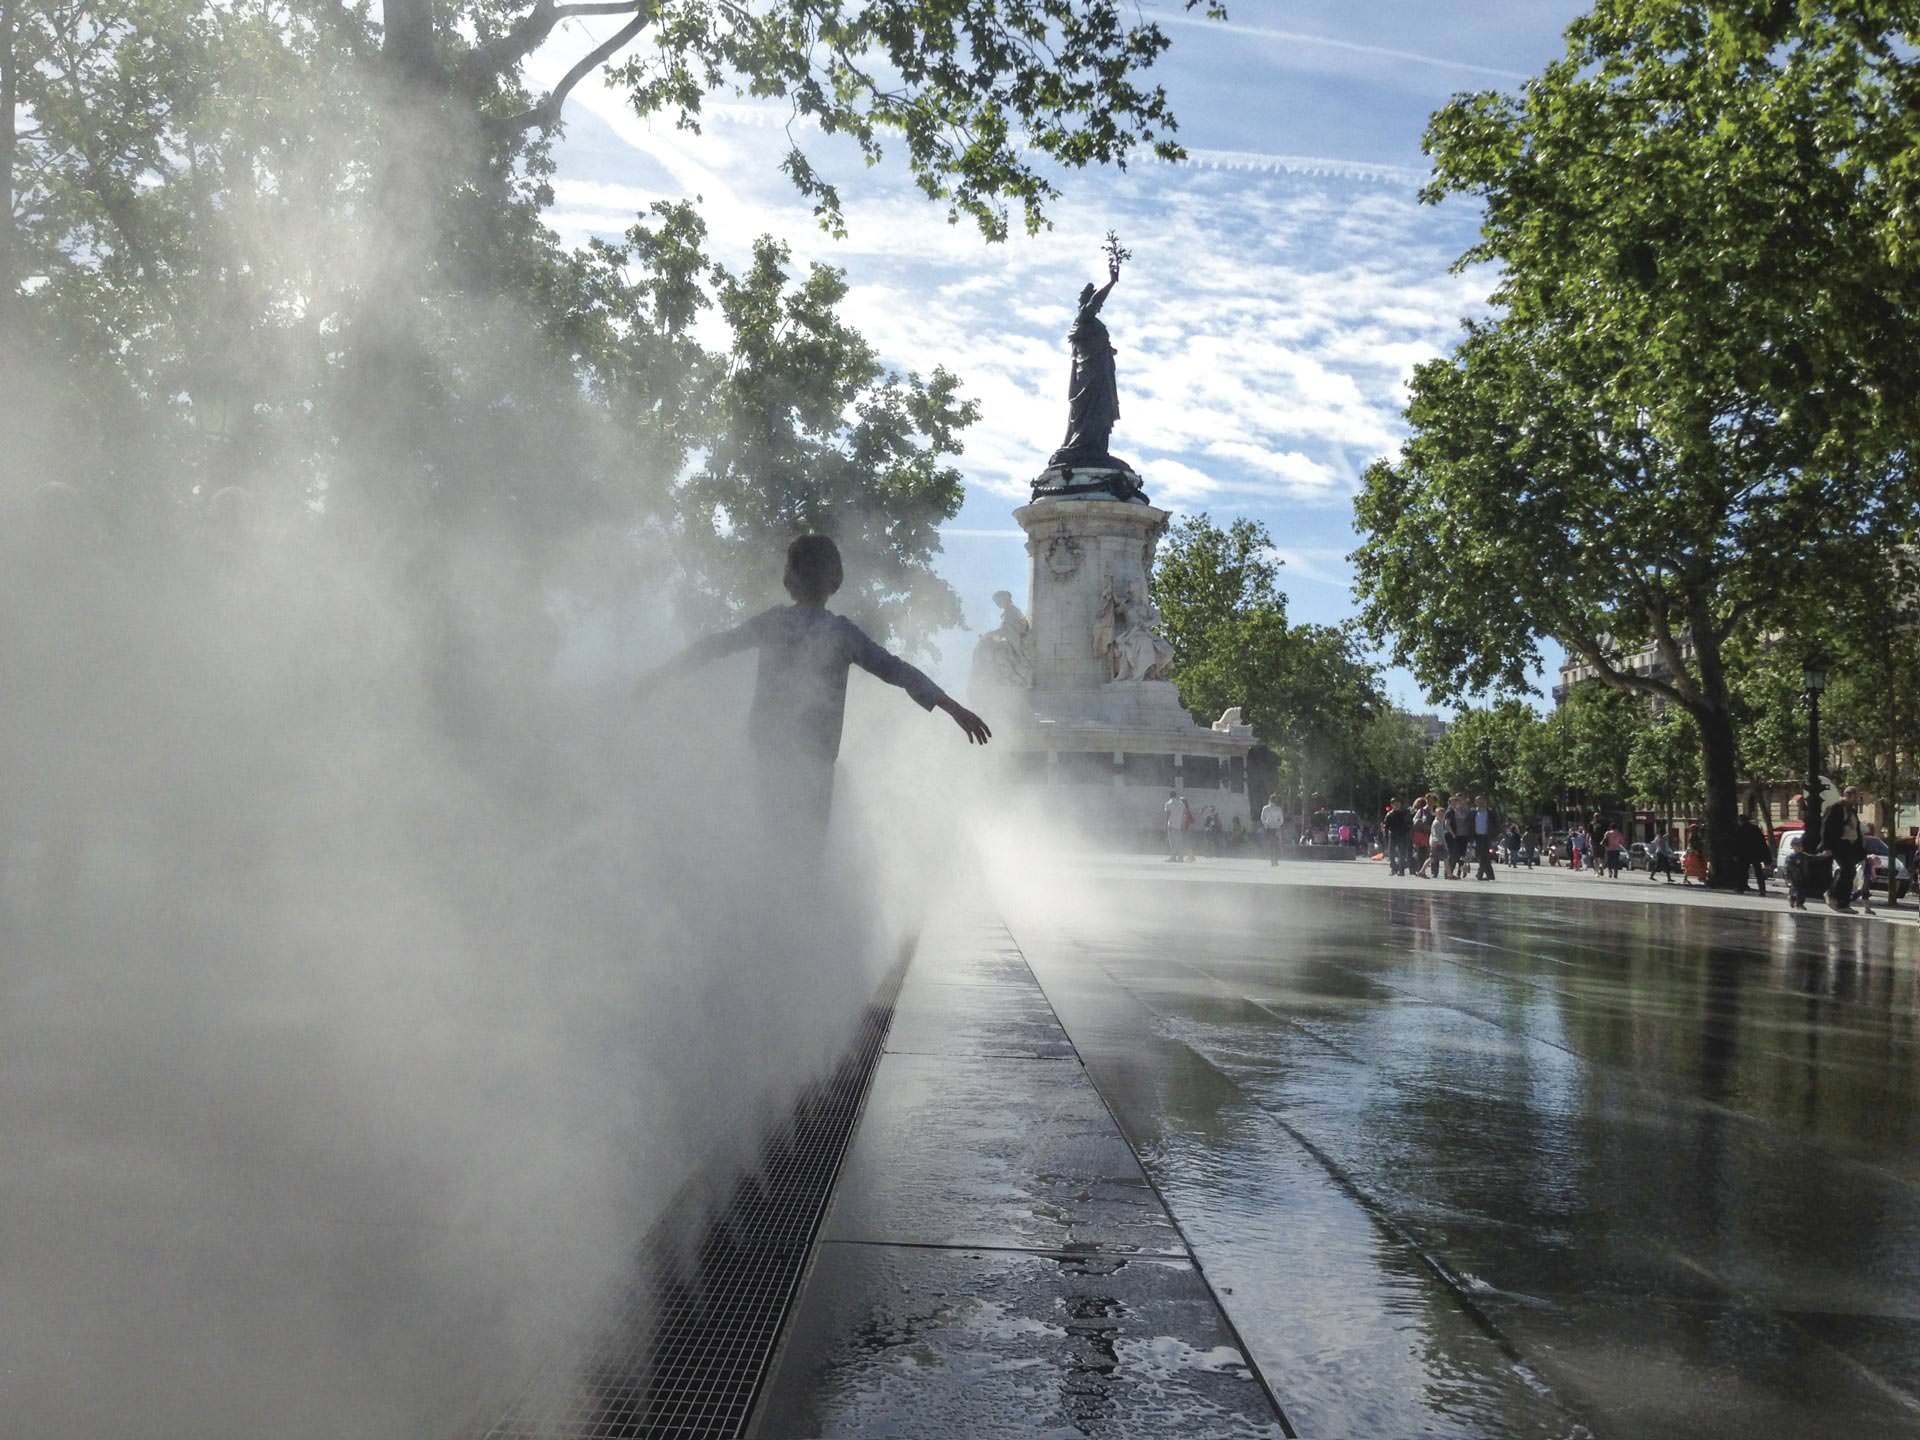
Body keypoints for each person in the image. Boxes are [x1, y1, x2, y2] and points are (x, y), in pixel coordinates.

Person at [638, 534, 989, 836]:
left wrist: (660, 675)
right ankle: (795, 908)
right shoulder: (839, 633)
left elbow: (715, 646)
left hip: (777, 753)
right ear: (835, 581)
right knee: (802, 850)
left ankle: (777, 908)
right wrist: (950, 706)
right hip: (811, 758)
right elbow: (895, 670)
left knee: (774, 842)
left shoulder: (780, 624)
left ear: (788, 579)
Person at [1820, 794, 1866, 913]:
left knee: (1850, 872)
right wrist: (1827, 847)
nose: (1857, 800)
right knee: (1847, 870)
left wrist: (1860, 850)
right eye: (1856, 797)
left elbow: (1856, 830)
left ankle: (1843, 903)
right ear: (1849, 796)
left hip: (1850, 845)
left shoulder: (1852, 811)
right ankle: (1832, 894)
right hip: (1839, 844)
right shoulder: (1835, 808)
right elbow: (1827, 827)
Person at [1383, 796, 1413, 876]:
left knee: (1402, 853)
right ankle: (1393, 868)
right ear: (1392, 805)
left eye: (1397, 803)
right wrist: (1385, 836)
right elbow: (1386, 826)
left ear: (1400, 804)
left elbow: (1410, 824)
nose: (1396, 805)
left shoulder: (1405, 813)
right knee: (1391, 854)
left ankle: (1401, 870)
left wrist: (1408, 833)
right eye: (1394, 804)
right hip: (1393, 835)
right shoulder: (1389, 814)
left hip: (1402, 835)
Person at [1165, 789, 1190, 862]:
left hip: (1171, 825)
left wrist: (1165, 824)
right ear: (1176, 796)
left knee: (1172, 842)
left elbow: (1168, 814)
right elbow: (1186, 812)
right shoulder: (1181, 803)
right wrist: (1183, 822)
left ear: (1170, 796)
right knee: (1179, 841)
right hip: (1179, 825)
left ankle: (1173, 857)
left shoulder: (1168, 803)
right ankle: (1181, 857)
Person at [1261, 793, 1286, 866]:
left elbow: (1262, 818)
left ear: (1269, 800)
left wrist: (1266, 824)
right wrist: (1278, 825)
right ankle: (1276, 860)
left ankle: (1271, 859)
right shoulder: (1278, 809)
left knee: (1270, 844)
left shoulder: (1265, 808)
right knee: (1276, 844)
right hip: (1276, 828)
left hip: (1268, 828)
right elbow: (1281, 820)